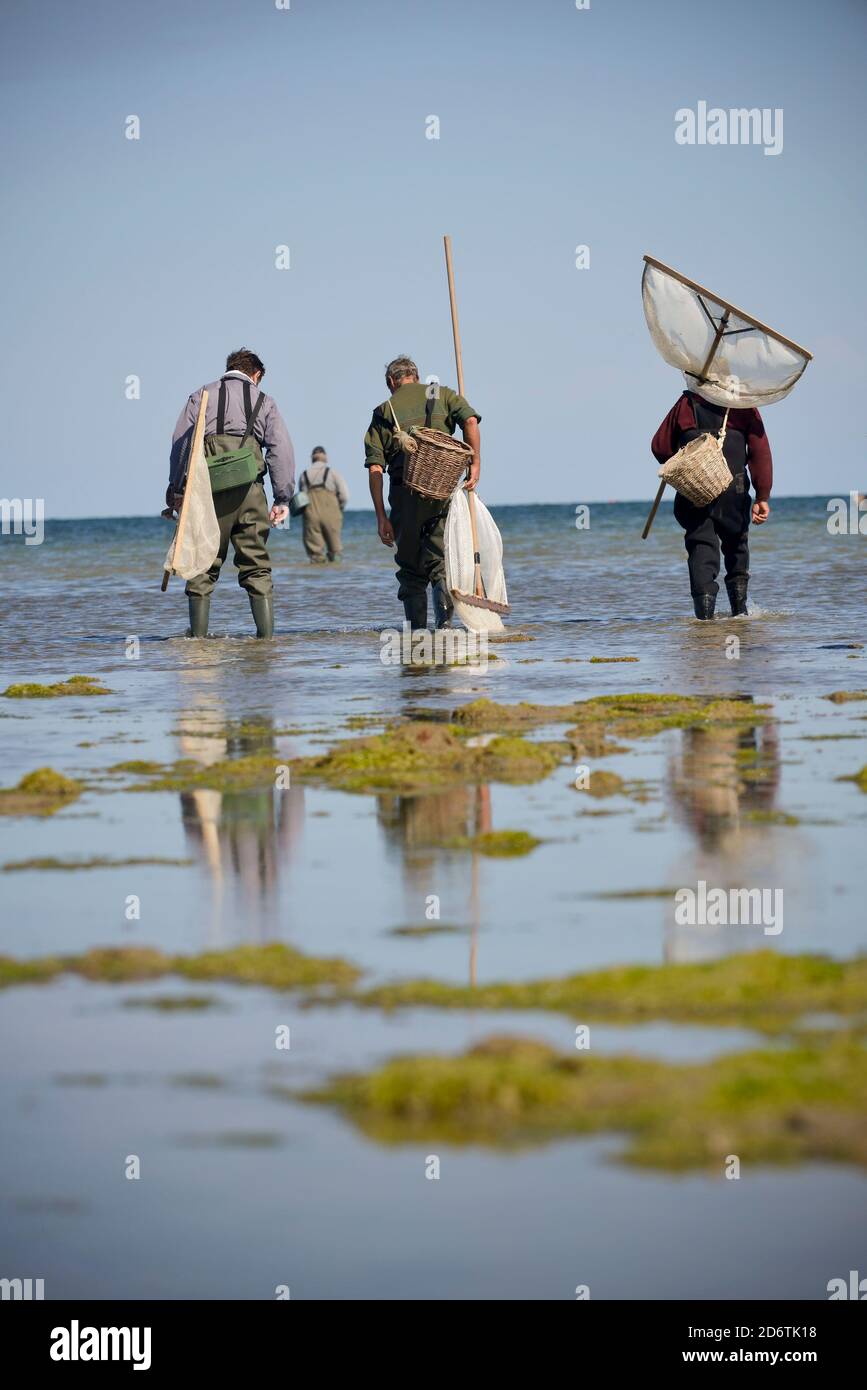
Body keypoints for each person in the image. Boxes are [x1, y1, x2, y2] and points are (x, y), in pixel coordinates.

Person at [167, 348, 295, 638]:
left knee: (202, 566)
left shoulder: (201, 395)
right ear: (256, 374)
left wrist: (176, 489)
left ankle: (198, 643)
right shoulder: (265, 402)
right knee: (256, 566)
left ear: (230, 368)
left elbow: (181, 446)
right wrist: (282, 497)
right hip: (250, 494)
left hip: (207, 493)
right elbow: (280, 450)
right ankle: (265, 642)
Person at [364, 355, 481, 629]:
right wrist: (474, 464)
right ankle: (444, 629)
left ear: (391, 382)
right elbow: (471, 422)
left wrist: (381, 517)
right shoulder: (442, 394)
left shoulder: (384, 410)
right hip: (441, 490)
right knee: (440, 560)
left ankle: (416, 635)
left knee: (411, 569)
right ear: (415, 377)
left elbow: (375, 470)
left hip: (404, 496)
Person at [651, 389, 772, 619]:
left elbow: (660, 447)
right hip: (733, 490)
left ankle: (704, 620)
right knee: (737, 543)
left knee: (700, 546)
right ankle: (740, 614)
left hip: (694, 489)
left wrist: (685, 451)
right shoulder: (743, 403)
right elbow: (760, 451)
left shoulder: (686, 404)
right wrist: (762, 495)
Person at [298, 447, 348, 563]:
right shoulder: (333, 473)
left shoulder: (303, 475)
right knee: (335, 550)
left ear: (312, 458)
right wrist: (339, 508)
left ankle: (317, 578)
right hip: (331, 514)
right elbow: (344, 495)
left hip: (311, 515)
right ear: (325, 457)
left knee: (315, 553)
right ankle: (334, 577)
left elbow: (301, 498)